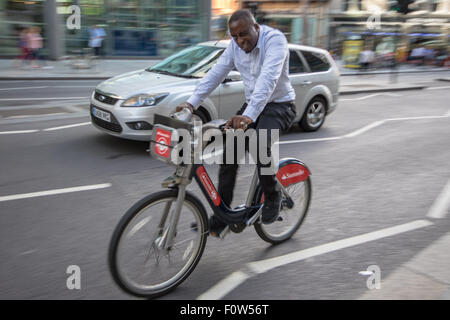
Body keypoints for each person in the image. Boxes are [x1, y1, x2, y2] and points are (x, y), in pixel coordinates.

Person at [176, 9, 296, 237]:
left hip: (279, 104)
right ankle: (222, 218)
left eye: (244, 34)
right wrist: (191, 104)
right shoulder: (234, 46)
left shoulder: (275, 41)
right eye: (235, 37)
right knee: (229, 156)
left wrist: (249, 116)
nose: (240, 41)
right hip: (252, 106)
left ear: (256, 28)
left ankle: (272, 195)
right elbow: (215, 74)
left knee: (259, 143)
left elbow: (268, 80)